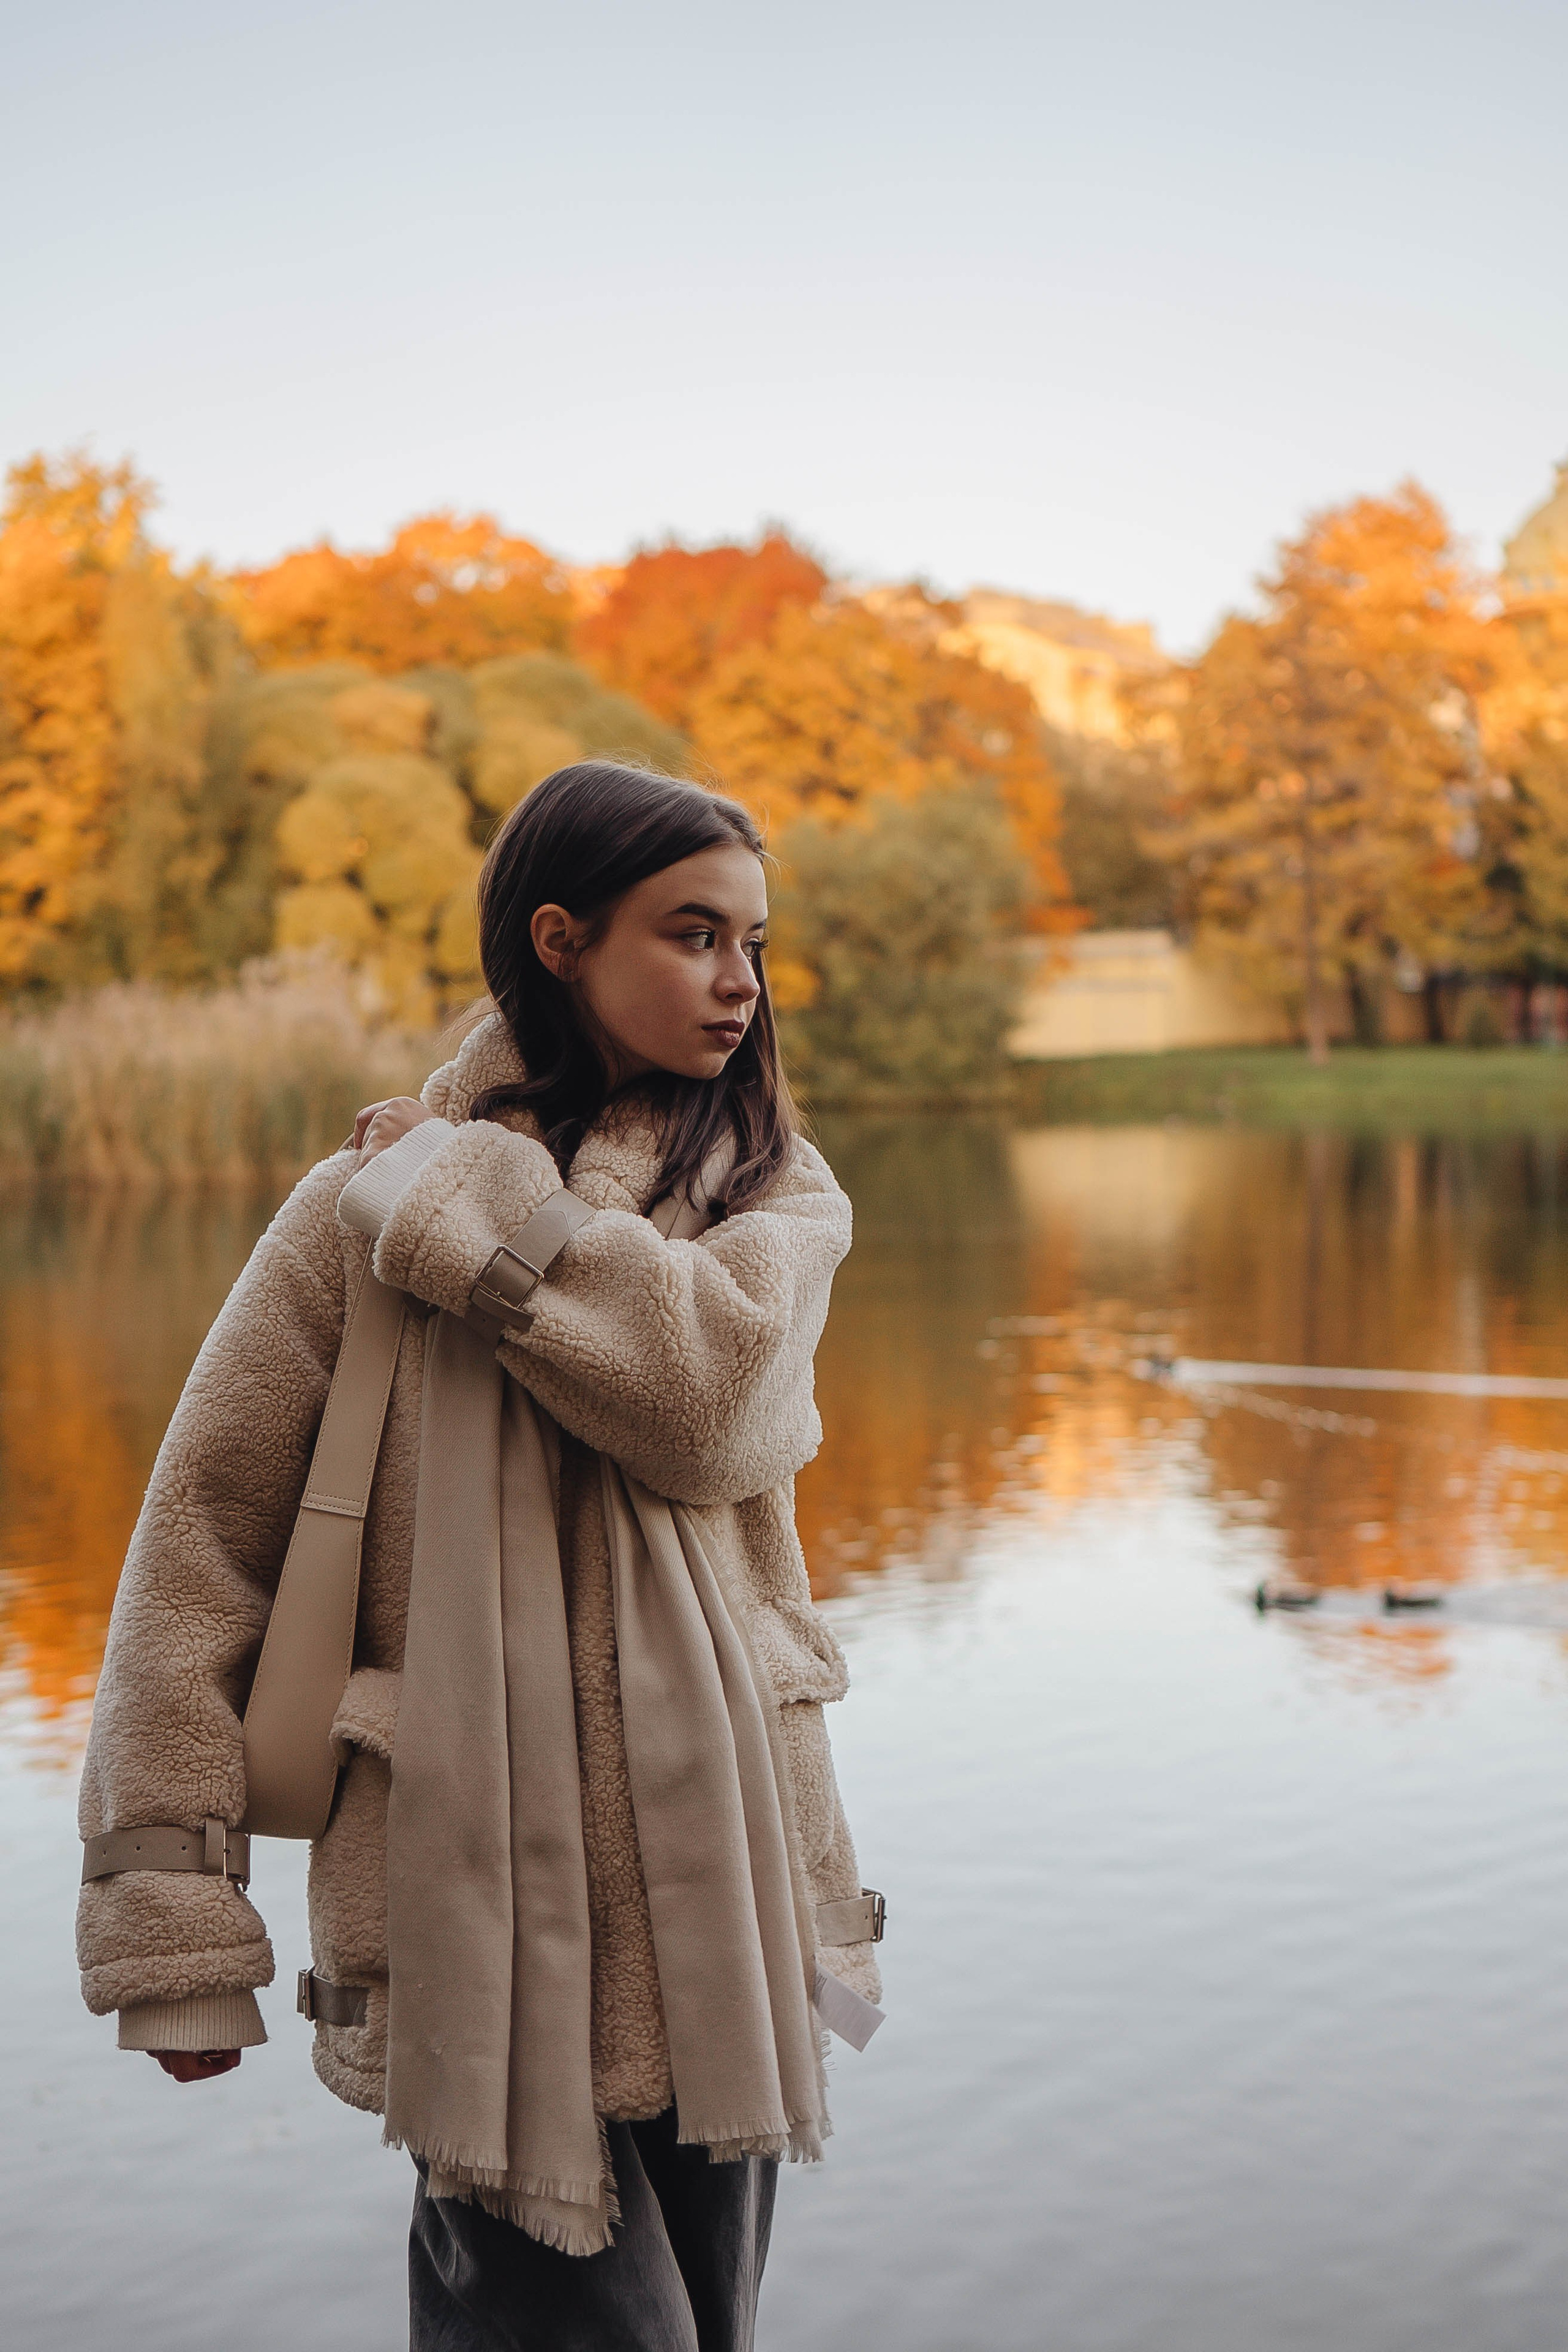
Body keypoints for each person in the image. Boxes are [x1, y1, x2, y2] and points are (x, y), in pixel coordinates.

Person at [75, 763, 883, 2352]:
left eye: (757, 945)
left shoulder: (774, 1194)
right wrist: (176, 1924)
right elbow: (201, 1548)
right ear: (564, 940)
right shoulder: (349, 1222)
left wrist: (462, 1199)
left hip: (724, 1896)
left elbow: (709, 1406)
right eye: (698, 935)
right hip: (471, 1907)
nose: (742, 984)